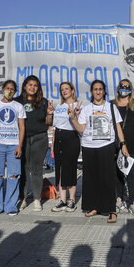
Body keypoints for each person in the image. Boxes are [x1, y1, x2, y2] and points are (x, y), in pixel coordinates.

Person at [68, 80, 129, 223]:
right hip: (89, 147)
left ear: (104, 91)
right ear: (92, 92)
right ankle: (93, 206)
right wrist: (72, 118)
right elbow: (81, 129)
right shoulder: (86, 109)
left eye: (100, 89)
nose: (98, 91)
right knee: (90, 179)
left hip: (106, 146)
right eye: (95, 89)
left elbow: (118, 127)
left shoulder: (111, 107)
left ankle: (111, 210)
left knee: (107, 179)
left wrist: (123, 144)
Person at [15, 75, 54, 212]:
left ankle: (37, 199)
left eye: (35, 85)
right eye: (30, 85)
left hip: (39, 138)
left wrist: (49, 113)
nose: (33, 87)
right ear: (25, 86)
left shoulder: (43, 102)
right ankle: (23, 198)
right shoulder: (17, 101)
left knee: (37, 170)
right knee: (24, 170)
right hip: (23, 140)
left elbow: (49, 123)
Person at [0, 80, 26, 216]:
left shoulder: (19, 106)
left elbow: (22, 127)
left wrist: (20, 146)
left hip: (14, 144)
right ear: (3, 89)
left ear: (15, 92)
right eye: (7, 88)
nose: (9, 91)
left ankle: (10, 206)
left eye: (12, 89)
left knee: (13, 175)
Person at [112, 79, 134, 216]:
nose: (124, 88)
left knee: (131, 175)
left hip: (132, 144)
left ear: (131, 89)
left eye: (127, 86)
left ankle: (133, 202)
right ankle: (119, 198)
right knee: (117, 173)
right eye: (122, 86)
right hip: (115, 144)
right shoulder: (111, 104)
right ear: (118, 88)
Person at [51, 82, 81, 212]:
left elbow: (80, 126)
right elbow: (54, 127)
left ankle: (72, 199)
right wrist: (52, 144)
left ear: (72, 90)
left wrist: (76, 115)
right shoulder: (58, 106)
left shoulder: (78, 105)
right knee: (60, 169)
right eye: (62, 89)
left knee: (70, 169)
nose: (64, 91)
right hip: (58, 138)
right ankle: (62, 200)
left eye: (67, 89)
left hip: (71, 138)